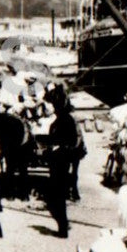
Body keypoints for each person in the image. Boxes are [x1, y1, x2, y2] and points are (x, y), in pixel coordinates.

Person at [45, 101, 82, 238]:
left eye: (56, 108)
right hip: (57, 162)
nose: (55, 110)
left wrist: (57, 146)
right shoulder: (61, 120)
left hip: (61, 162)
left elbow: (70, 141)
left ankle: (63, 228)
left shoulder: (66, 121)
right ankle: (63, 225)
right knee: (55, 199)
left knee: (56, 199)